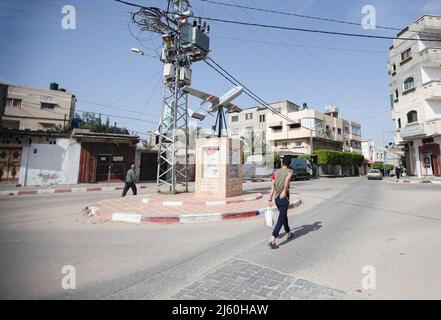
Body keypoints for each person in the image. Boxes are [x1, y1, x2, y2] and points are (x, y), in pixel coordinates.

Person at [267, 156, 294, 248]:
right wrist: (284, 191)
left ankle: (288, 232)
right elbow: (287, 180)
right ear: (289, 163)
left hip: (276, 198)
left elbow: (272, 187)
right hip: (284, 197)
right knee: (281, 217)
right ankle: (272, 237)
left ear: (282, 163)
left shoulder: (275, 172)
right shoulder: (290, 172)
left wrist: (270, 198)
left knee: (283, 215)